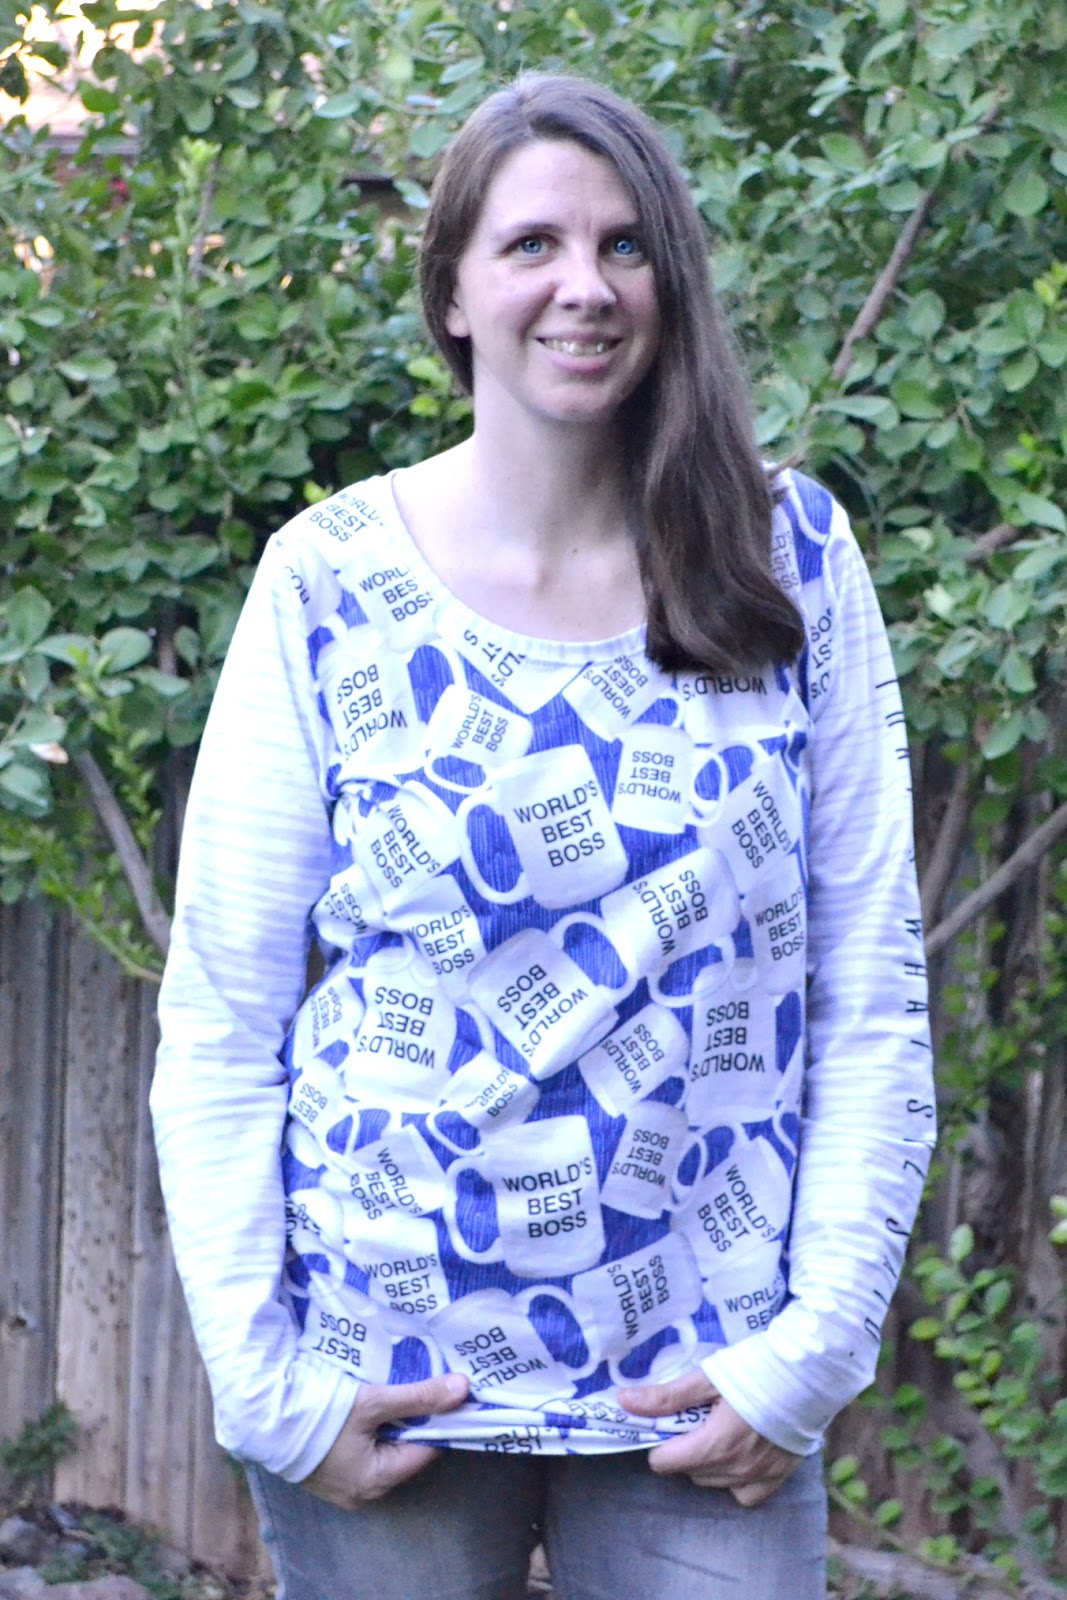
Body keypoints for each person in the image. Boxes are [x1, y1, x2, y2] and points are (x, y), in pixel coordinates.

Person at [151, 72, 936, 1600]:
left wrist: (815, 1352)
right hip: (388, 1375)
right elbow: (223, 1015)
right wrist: (266, 1390)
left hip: (708, 1381)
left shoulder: (789, 560)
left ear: (670, 280)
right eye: (533, 246)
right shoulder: (327, 582)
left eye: (625, 245)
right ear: (452, 291)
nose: (586, 286)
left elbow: (871, 988)